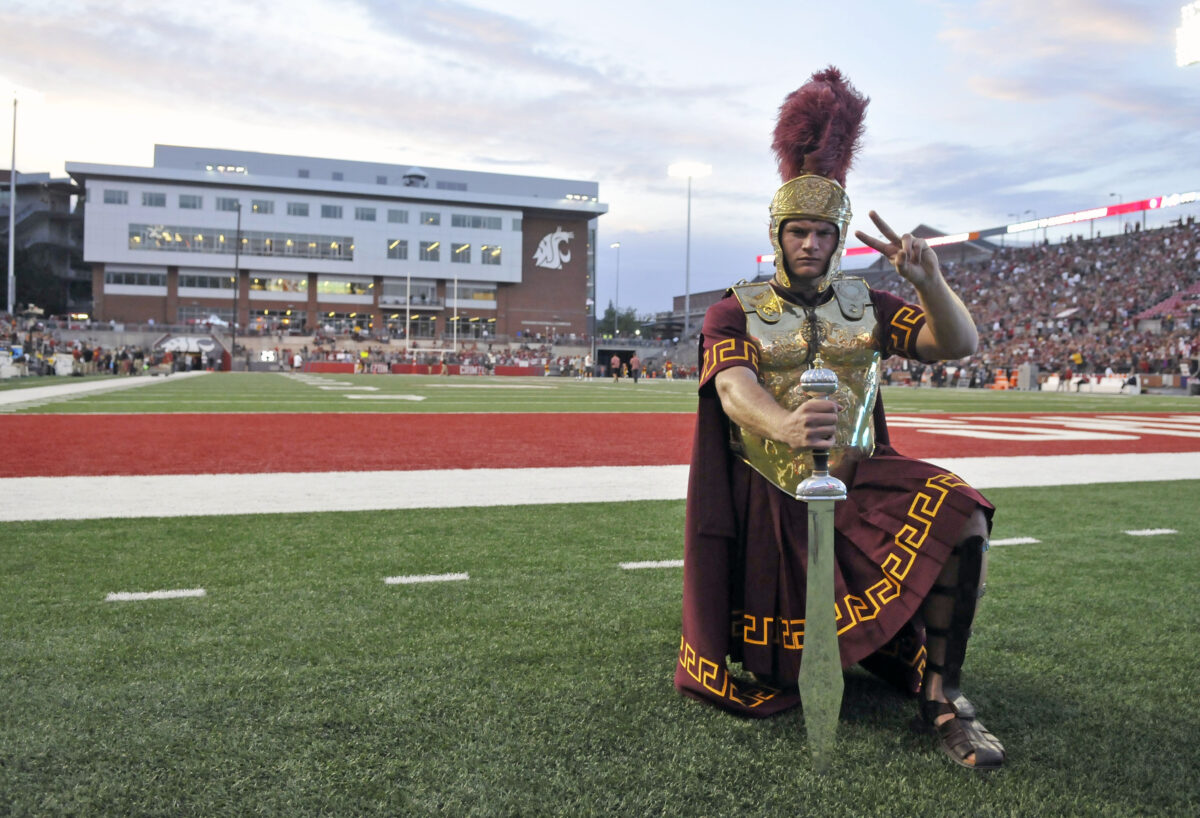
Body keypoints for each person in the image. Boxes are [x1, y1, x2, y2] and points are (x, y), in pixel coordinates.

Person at [674, 67, 1004, 771]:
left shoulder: (872, 305)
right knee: (777, 663)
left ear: (838, 237)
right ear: (778, 233)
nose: (809, 244)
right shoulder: (734, 309)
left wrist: (933, 281)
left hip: (860, 478)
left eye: (823, 233)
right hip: (772, 498)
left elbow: (957, 345)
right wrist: (784, 424)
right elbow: (731, 388)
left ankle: (944, 701)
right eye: (797, 231)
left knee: (966, 515)